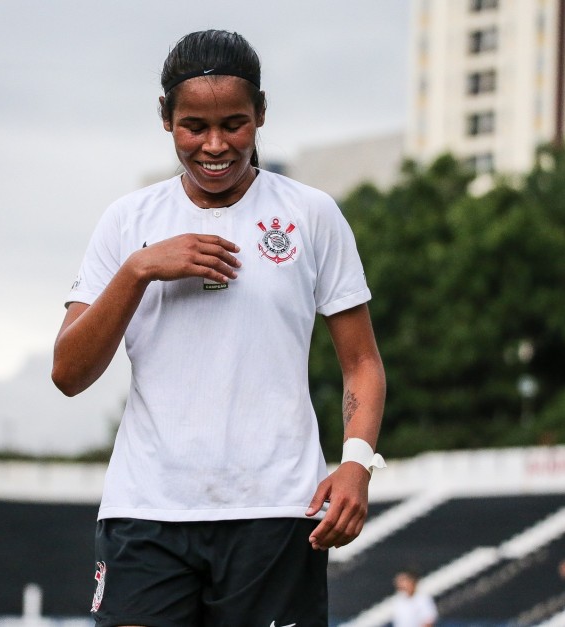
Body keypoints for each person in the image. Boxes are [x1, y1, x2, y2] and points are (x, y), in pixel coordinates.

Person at [51, 29, 386, 627]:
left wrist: (357, 463)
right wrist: (140, 269)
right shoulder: (128, 222)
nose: (214, 145)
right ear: (165, 119)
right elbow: (69, 374)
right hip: (146, 512)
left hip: (277, 512)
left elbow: (361, 361)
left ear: (260, 113)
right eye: (193, 127)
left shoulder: (311, 215)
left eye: (233, 123)